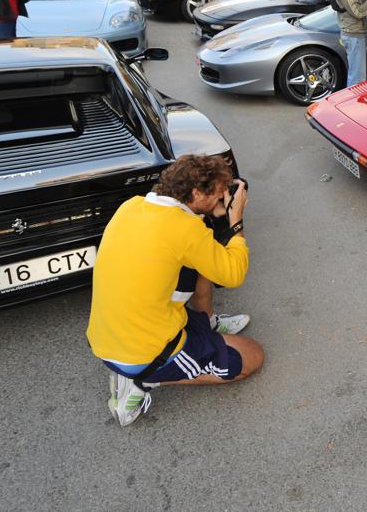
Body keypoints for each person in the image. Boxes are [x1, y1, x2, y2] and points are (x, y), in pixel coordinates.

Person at [86, 155, 262, 427]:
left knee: (200, 264)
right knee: (250, 356)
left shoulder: (132, 206)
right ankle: (144, 379)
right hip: (144, 352)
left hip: (107, 337)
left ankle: (208, 324)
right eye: (216, 194)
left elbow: (196, 249)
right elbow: (233, 274)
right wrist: (235, 221)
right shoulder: (185, 229)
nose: (221, 199)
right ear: (195, 193)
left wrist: (213, 212)